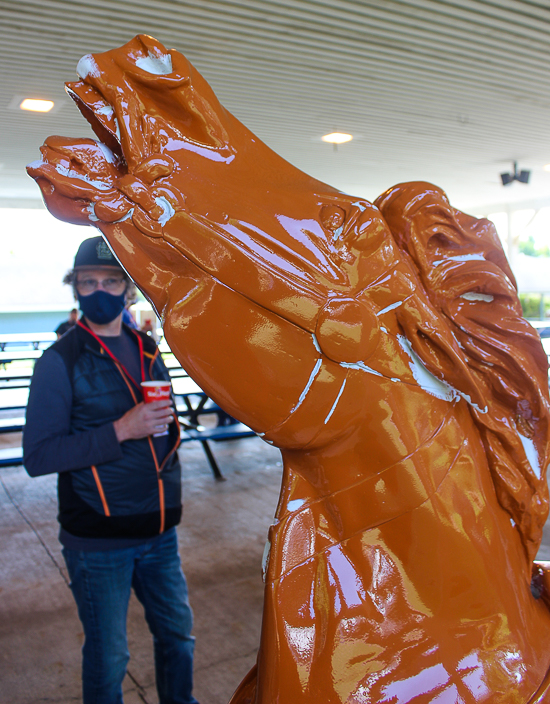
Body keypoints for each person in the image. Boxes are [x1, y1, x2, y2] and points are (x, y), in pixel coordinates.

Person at [23, 235, 199, 704]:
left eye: (110, 280)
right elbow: (38, 457)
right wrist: (120, 429)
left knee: (178, 639)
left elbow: (161, 425)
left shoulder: (147, 349)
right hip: (99, 542)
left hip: (160, 530)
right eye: (88, 282)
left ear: (128, 289)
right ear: (75, 288)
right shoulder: (58, 363)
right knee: (109, 659)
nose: (99, 290)